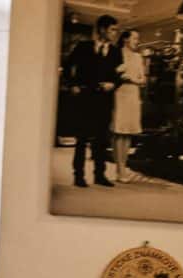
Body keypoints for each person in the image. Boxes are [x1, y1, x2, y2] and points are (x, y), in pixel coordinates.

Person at [65, 15, 122, 188]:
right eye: (112, 29)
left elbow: (118, 76)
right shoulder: (83, 47)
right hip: (84, 97)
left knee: (101, 139)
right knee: (82, 138)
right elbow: (67, 66)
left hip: (104, 100)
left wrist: (113, 84)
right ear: (103, 30)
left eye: (116, 30)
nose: (115, 33)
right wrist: (72, 85)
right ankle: (79, 175)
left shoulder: (115, 51)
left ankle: (100, 174)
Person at [111, 29, 146, 184]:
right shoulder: (117, 54)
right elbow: (113, 75)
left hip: (133, 95)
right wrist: (131, 78)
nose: (137, 41)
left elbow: (142, 79)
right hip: (120, 94)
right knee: (119, 132)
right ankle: (119, 169)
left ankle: (123, 167)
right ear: (126, 39)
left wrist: (134, 79)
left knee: (128, 133)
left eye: (138, 38)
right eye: (135, 38)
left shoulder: (139, 57)